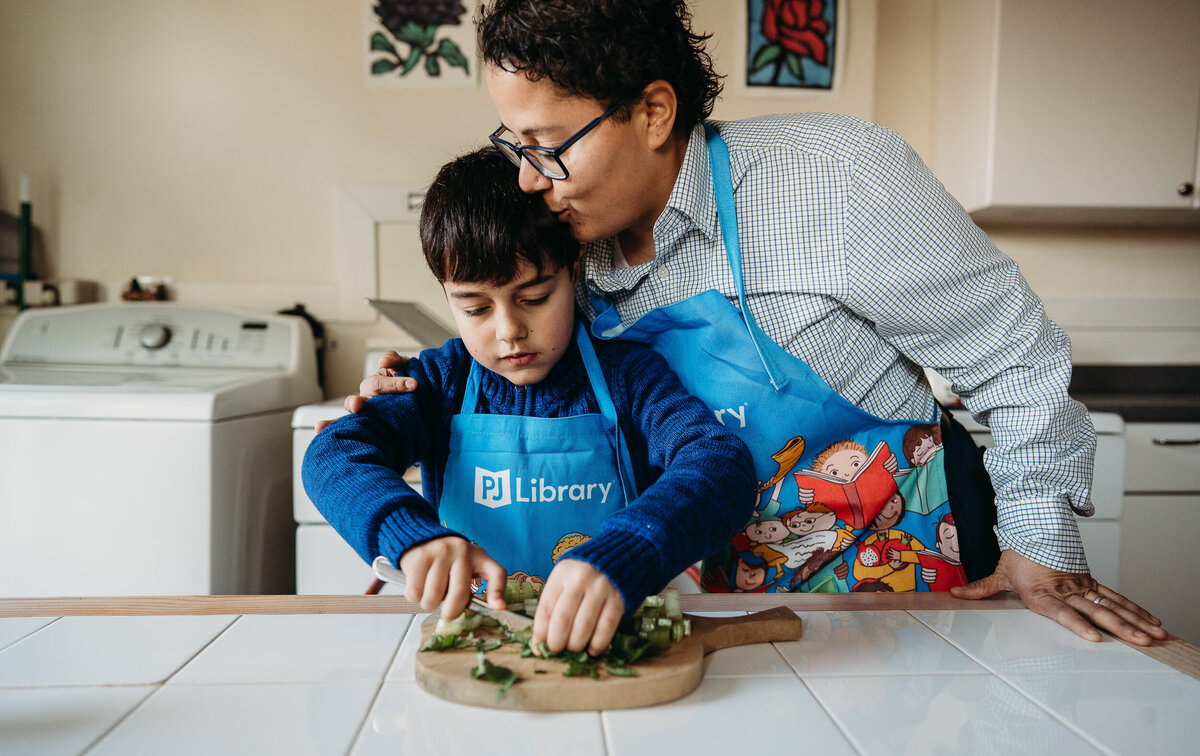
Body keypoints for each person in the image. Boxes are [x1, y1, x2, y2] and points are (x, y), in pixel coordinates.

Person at [344, 0, 1165, 646]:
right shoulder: (566, 234)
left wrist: (1041, 540)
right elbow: (506, 330)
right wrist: (412, 384)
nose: (528, 178)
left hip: (912, 569)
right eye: (513, 144)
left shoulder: (836, 180)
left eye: (548, 145)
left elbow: (1013, 357)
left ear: (654, 112)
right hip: (717, 595)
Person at [303, 146, 755, 656]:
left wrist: (629, 552)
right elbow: (332, 455)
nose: (509, 331)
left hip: (607, 644)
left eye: (535, 298)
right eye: (474, 308)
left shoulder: (630, 376)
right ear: (446, 294)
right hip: (477, 647)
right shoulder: (437, 382)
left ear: (573, 267)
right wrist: (412, 536)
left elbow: (721, 466)